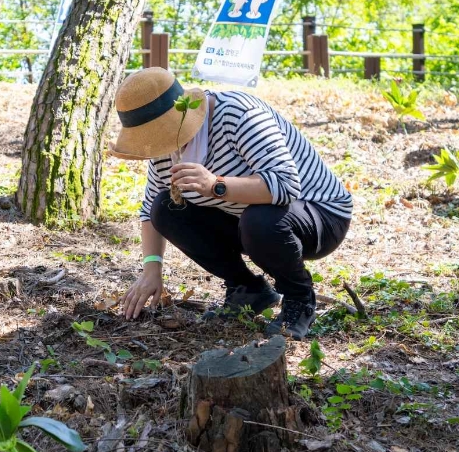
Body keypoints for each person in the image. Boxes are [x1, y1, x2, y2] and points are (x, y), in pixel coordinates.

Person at [109, 68, 352, 340]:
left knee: (259, 218)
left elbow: (285, 185)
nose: (156, 146)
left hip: (319, 214)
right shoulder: (165, 147)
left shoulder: (237, 114)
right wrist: (151, 268)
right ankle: (248, 290)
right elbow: (150, 208)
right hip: (244, 219)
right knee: (165, 209)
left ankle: (299, 297)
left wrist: (215, 184)